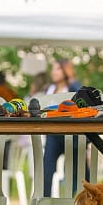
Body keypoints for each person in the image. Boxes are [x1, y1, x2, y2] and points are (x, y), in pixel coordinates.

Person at [37, 58, 84, 195]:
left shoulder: (72, 87)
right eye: (53, 69)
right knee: (47, 167)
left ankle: (79, 199)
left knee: (78, 168)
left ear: (65, 70)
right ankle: (44, 198)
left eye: (57, 68)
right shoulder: (49, 89)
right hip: (53, 134)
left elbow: (81, 98)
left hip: (73, 135)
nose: (53, 72)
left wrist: (72, 78)